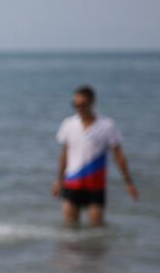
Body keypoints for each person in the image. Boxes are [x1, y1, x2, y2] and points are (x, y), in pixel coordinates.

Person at [52, 85, 138, 227]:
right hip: (72, 182)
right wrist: (58, 180)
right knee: (69, 232)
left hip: (95, 184)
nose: (79, 108)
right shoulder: (68, 124)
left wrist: (128, 182)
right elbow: (64, 154)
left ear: (92, 103)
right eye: (75, 105)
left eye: (83, 105)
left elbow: (118, 155)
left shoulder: (107, 125)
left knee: (96, 231)